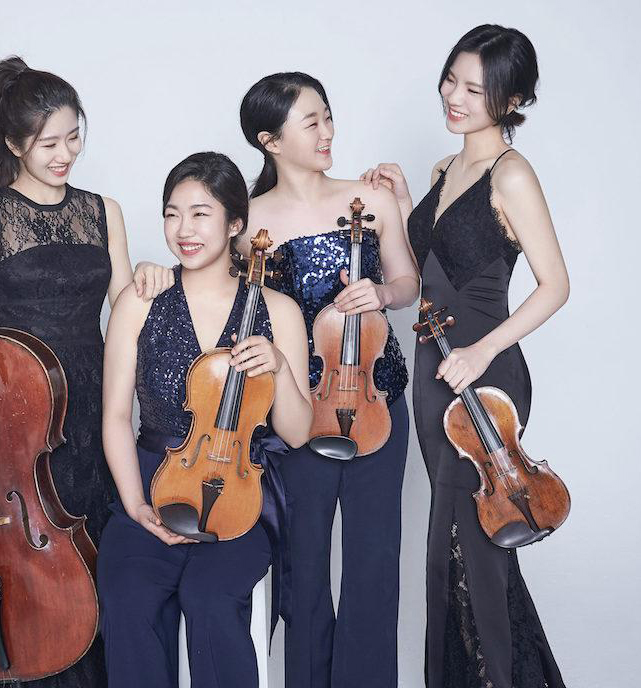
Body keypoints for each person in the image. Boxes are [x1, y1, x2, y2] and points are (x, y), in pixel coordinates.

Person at [0, 56, 172, 688]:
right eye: (49, 143)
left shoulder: (102, 211)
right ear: (13, 145)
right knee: (38, 572)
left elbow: (123, 308)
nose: (67, 154)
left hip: (94, 402)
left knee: (104, 566)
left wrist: (144, 278)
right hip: (22, 419)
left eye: (74, 137)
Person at [362, 24, 570, 688]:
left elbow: (555, 285)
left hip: (485, 375)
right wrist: (402, 204)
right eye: (451, 80)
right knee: (468, 546)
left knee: (465, 550)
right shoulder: (445, 170)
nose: (454, 96)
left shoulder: (512, 175)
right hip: (435, 371)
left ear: (509, 100)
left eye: (474, 89)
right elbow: (429, 273)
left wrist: (481, 352)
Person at [97, 151, 312, 688]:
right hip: (150, 480)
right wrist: (136, 506)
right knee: (128, 596)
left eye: (200, 214)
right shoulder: (140, 301)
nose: (183, 230)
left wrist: (281, 367)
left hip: (240, 494)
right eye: (172, 214)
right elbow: (117, 416)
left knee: (210, 600)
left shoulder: (278, 310)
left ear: (235, 223)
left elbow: (297, 431)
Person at [240, 72, 419, 688]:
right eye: (310, 122)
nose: (327, 132)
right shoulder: (246, 224)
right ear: (270, 140)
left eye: (328, 116)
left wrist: (382, 291)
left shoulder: (369, 200)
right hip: (296, 415)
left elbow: (408, 286)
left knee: (373, 563)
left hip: (377, 398)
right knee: (305, 568)